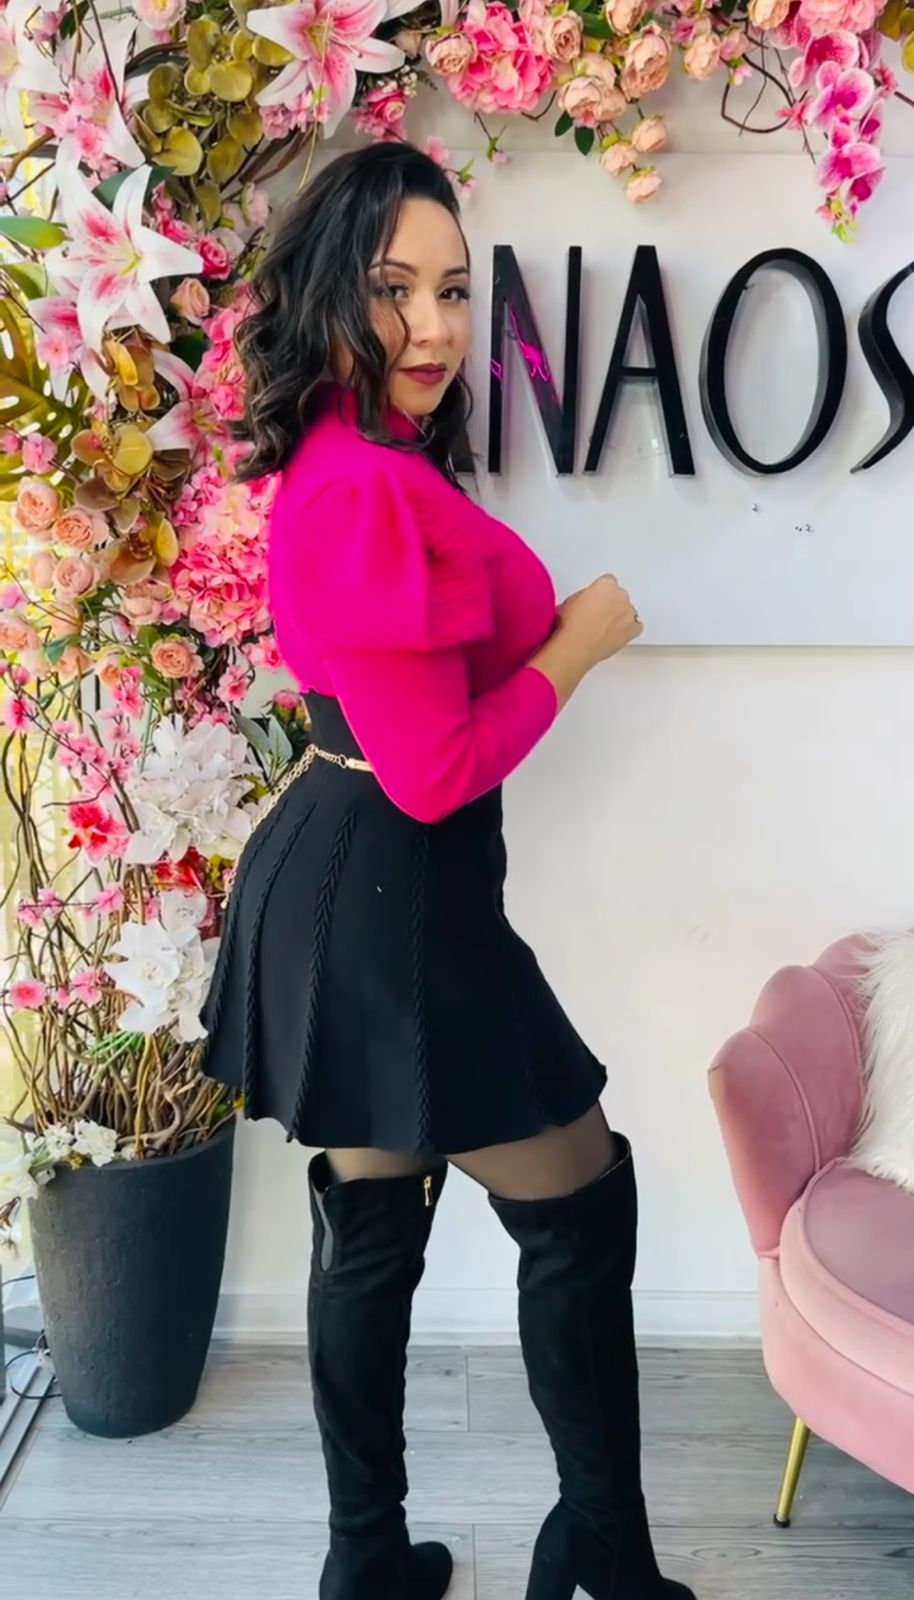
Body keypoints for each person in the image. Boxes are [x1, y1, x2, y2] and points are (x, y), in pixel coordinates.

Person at [198, 142, 696, 1600]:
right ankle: (601, 1555)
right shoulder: (364, 486)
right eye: (392, 289)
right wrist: (575, 649)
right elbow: (433, 771)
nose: (432, 325)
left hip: (357, 883)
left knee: (374, 1220)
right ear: (328, 295)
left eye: (454, 290)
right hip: (392, 896)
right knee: (578, 1201)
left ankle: (367, 1562)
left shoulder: (357, 450)